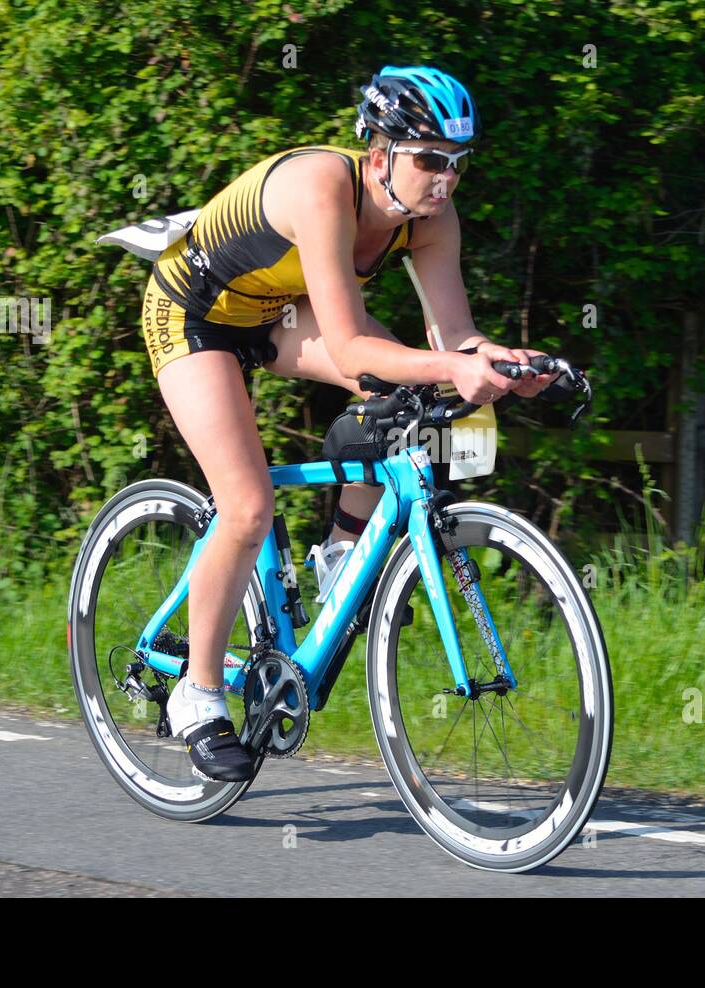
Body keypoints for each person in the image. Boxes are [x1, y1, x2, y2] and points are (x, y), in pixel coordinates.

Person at [149, 65, 560, 782]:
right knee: (247, 508)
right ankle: (200, 691)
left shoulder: (431, 219)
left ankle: (342, 549)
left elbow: (451, 339)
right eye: (430, 160)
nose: (445, 180)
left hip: (276, 311)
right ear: (379, 157)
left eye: (459, 164)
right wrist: (452, 366)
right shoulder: (321, 190)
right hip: (197, 313)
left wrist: (503, 361)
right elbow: (347, 347)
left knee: (402, 394)